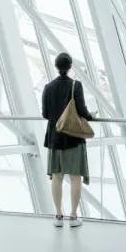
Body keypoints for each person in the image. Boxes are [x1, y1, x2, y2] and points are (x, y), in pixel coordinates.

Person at [41, 52, 95, 228]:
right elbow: (82, 111)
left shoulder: (48, 87)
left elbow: (45, 114)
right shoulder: (75, 86)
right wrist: (91, 116)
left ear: (56, 67)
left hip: (55, 138)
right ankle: (73, 217)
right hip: (72, 138)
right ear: (70, 66)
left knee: (56, 177)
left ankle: (58, 216)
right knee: (75, 178)